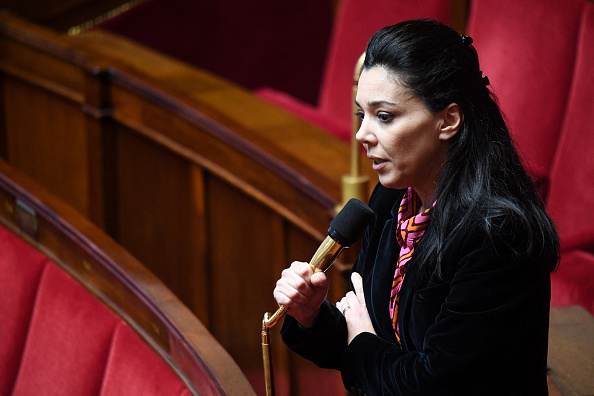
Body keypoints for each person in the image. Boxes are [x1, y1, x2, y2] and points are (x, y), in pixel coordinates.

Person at [273, 19, 559, 395]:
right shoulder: (393, 199)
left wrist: (361, 339)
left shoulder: (498, 236)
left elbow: (432, 386)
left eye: (385, 117)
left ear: (448, 120)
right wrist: (312, 316)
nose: (362, 135)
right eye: (362, 115)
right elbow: (361, 334)